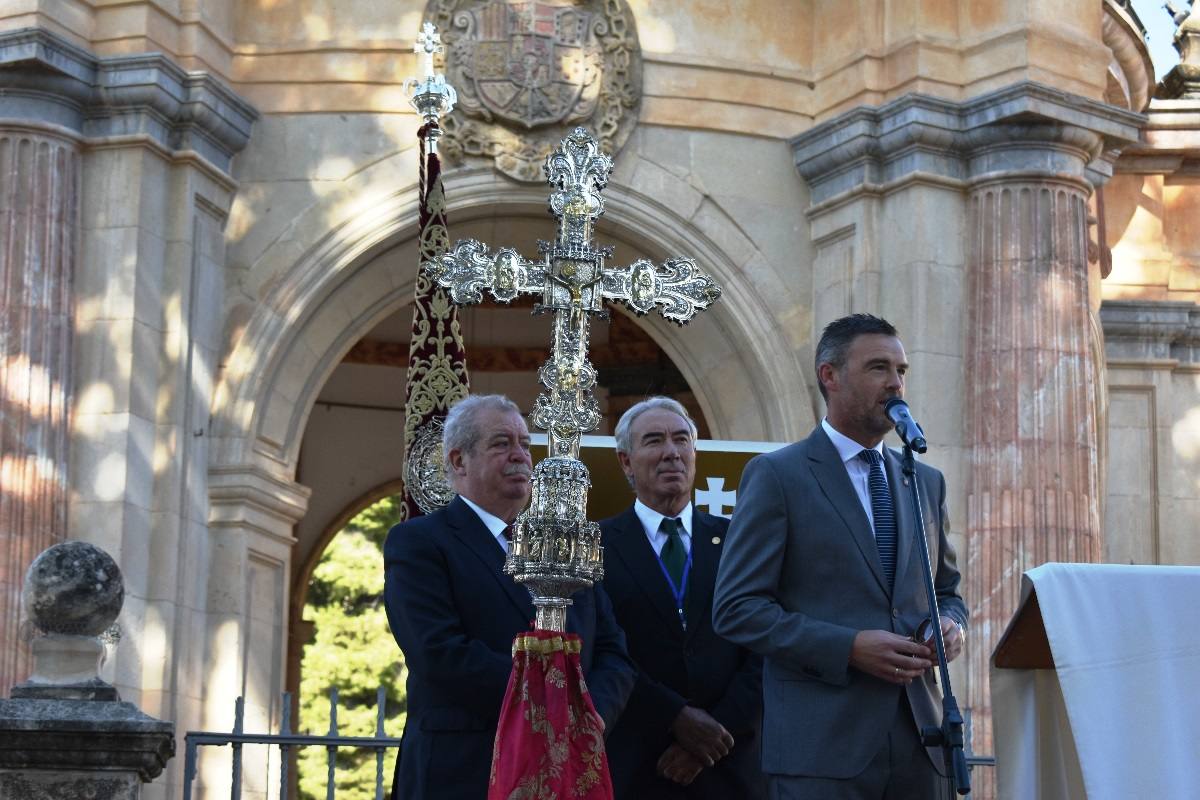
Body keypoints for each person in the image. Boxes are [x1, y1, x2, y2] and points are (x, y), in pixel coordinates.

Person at [712, 314, 968, 799]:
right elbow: (736, 610)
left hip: (923, 744)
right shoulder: (778, 476)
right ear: (829, 376)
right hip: (821, 754)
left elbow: (947, 592)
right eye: (878, 368)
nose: (895, 383)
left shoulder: (925, 482)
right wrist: (847, 647)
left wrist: (951, 626)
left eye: (901, 369)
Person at [383, 394, 636, 800]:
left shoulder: (561, 542)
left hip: (570, 767)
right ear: (458, 461)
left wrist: (589, 714)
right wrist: (551, 705)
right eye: (501, 443)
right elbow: (438, 651)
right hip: (464, 770)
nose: (520, 455)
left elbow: (614, 653)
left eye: (524, 443)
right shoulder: (419, 542)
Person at [599, 397, 767, 799]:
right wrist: (674, 717)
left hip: (730, 765)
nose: (671, 452)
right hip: (637, 764)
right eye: (654, 440)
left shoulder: (737, 541)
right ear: (625, 461)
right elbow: (600, 650)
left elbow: (764, 645)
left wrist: (714, 732)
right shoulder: (597, 546)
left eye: (681, 440)